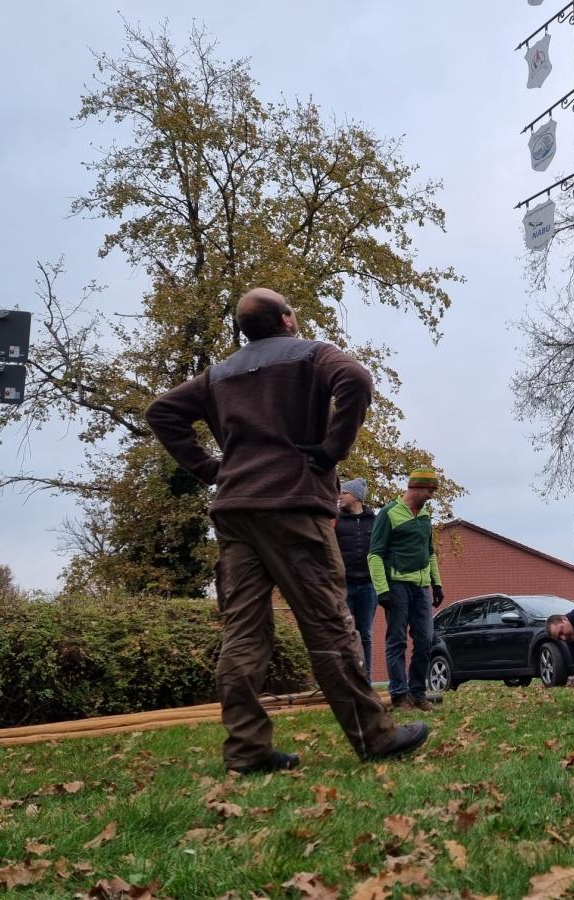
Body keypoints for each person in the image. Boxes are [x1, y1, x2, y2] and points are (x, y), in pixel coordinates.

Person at [145, 287, 429, 773]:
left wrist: (211, 469)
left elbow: (161, 412)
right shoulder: (314, 355)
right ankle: (376, 737)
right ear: (286, 318)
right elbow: (357, 380)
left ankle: (247, 751)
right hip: (294, 508)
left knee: (244, 633)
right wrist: (332, 449)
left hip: (235, 513)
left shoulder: (218, 375)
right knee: (328, 627)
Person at [368, 468, 445, 712]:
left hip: (421, 587)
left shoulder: (425, 517)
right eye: (429, 491)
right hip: (396, 585)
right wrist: (382, 590)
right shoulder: (389, 514)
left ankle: (418, 694)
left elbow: (430, 552)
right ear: (415, 488)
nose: (431, 496)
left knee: (425, 640)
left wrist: (437, 583)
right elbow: (375, 555)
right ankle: (400, 697)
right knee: (397, 641)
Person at [335, 478, 378, 677]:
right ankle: (348, 679)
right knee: (345, 634)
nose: (340, 496)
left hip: (369, 587)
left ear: (357, 497)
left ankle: (365, 678)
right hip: (344, 587)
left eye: (344, 492)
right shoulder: (336, 521)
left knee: (366, 635)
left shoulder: (375, 521)